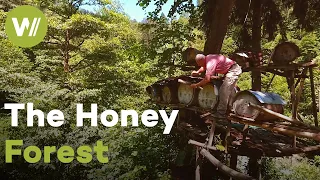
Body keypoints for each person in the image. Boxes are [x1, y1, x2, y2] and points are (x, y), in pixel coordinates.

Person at [190, 54, 242, 118]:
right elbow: (204, 66)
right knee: (229, 91)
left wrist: (196, 85)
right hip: (230, 70)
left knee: (223, 91)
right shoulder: (208, 58)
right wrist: (197, 72)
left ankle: (221, 112)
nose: (198, 65)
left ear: (202, 60)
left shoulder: (210, 63)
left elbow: (207, 79)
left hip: (233, 70)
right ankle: (230, 109)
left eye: (199, 63)